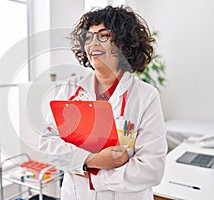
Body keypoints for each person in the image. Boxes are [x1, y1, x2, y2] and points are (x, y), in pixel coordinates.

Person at [39, 5, 167, 200]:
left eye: (103, 35)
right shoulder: (71, 89)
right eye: (88, 37)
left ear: (123, 42)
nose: (93, 44)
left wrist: (94, 177)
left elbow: (152, 169)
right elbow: (48, 145)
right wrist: (93, 160)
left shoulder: (146, 96)